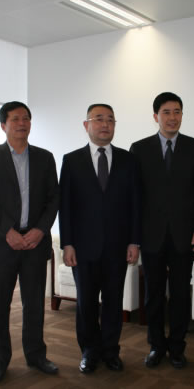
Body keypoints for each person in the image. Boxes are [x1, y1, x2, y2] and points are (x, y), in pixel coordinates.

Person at [0, 101, 59, 384]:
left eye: (26, 118)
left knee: (34, 304)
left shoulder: (45, 158)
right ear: (3, 125)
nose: (22, 123)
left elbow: (53, 199)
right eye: (15, 119)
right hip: (1, 243)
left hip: (34, 243)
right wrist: (8, 232)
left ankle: (36, 355)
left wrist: (40, 230)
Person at [130, 92, 194, 369]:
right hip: (151, 235)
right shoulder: (139, 149)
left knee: (180, 294)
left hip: (184, 235)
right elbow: (134, 196)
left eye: (177, 112)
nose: (172, 117)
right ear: (156, 116)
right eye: (166, 112)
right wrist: (134, 236)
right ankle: (156, 346)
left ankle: (177, 347)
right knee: (152, 295)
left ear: (182, 115)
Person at [59, 103, 140, 373]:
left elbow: (135, 204)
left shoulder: (128, 160)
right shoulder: (71, 161)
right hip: (83, 248)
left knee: (114, 302)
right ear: (86, 125)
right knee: (86, 303)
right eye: (99, 119)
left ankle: (111, 351)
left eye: (110, 120)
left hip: (118, 246)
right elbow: (65, 206)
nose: (105, 124)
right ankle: (89, 351)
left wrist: (134, 241)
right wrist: (67, 243)